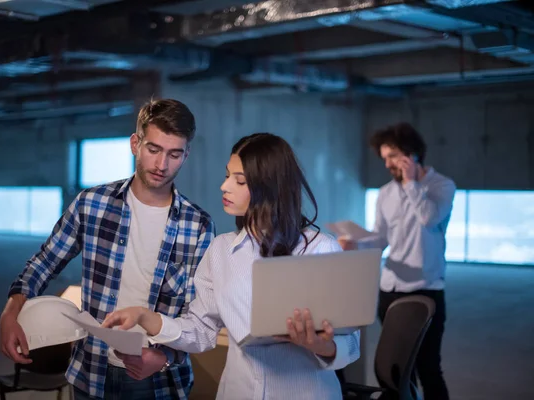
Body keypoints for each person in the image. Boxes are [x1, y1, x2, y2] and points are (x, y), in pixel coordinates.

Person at [101, 133, 361, 400]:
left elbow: (351, 344)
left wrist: (319, 344)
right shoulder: (221, 250)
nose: (224, 187)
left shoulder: (320, 248)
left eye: (239, 181)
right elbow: (201, 331)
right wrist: (148, 318)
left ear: (269, 187)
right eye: (227, 176)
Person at [0, 98, 216, 400]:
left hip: (156, 382)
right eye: (153, 149)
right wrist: (12, 310)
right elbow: (45, 262)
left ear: (186, 154)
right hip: (91, 372)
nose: (162, 165)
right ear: (135, 143)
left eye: (174, 154)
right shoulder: (92, 204)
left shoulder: (199, 226)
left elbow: (199, 320)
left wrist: (165, 357)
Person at [339, 122, 455, 400]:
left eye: (391, 156)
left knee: (429, 368)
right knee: (398, 369)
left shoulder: (442, 186)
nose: (386, 163)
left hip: (425, 289)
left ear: (411, 154)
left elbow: (429, 218)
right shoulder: (385, 193)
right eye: (384, 157)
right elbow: (381, 239)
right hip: (390, 288)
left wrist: (412, 182)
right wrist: (356, 243)